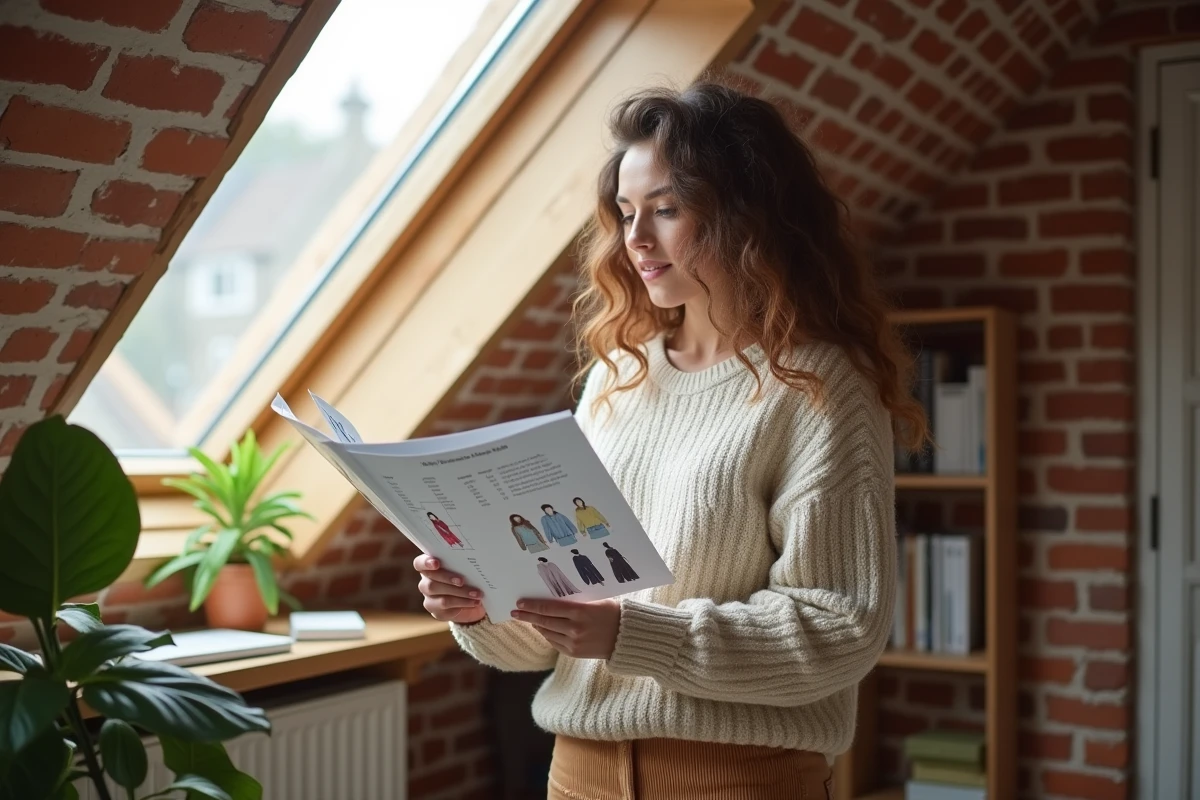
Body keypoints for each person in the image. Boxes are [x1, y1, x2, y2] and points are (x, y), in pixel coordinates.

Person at [411, 78, 928, 799]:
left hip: (736, 780)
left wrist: (634, 635)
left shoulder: (818, 388)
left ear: (747, 217)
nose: (636, 239)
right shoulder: (619, 377)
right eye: (626, 213)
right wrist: (483, 602)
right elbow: (562, 629)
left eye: (667, 209)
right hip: (577, 774)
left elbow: (841, 625)